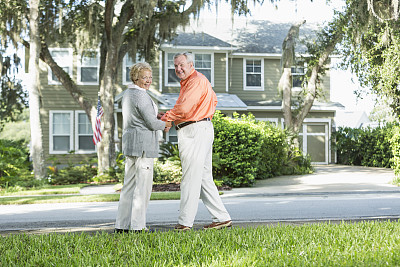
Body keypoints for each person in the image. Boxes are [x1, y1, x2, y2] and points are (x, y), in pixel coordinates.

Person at [160, 52, 232, 231]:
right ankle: (222, 217)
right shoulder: (196, 81)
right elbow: (212, 100)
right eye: (176, 66)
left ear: (191, 64)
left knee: (190, 177)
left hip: (194, 130)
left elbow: (184, 108)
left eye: (182, 65)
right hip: (201, 128)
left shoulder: (195, 81)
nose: (178, 69)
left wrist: (167, 119)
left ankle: (184, 223)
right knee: (203, 178)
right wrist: (172, 118)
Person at [115, 62, 172, 233]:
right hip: (143, 147)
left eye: (150, 77)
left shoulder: (128, 94)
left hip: (131, 145)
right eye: (144, 77)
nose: (148, 80)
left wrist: (157, 117)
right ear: (135, 77)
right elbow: (152, 123)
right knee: (143, 188)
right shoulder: (141, 95)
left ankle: (122, 225)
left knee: (128, 187)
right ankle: (138, 227)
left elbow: (141, 116)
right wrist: (166, 123)